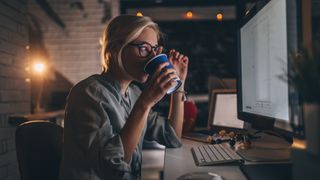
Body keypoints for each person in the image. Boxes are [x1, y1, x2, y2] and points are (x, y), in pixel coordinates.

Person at [59, 15, 189, 180]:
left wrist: (179, 84)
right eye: (144, 48)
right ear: (115, 50)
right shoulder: (88, 93)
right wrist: (145, 103)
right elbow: (112, 170)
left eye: (155, 49)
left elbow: (172, 138)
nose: (152, 57)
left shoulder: (134, 93)